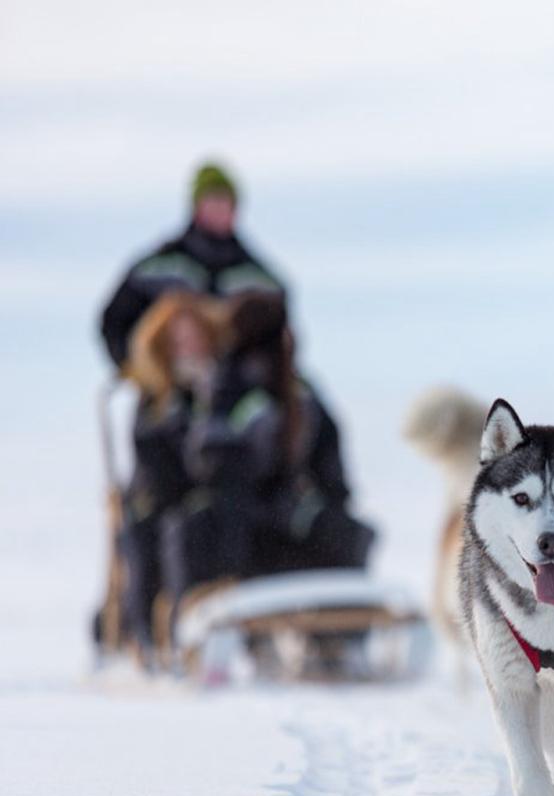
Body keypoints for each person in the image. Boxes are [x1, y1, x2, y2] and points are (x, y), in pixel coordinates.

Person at [160, 295, 375, 627]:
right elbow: (214, 463)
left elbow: (329, 467)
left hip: (275, 519)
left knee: (343, 531)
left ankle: (337, 630)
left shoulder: (296, 395)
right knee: (196, 528)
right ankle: (336, 633)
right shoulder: (226, 389)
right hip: (244, 523)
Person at [112, 291, 231, 659]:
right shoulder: (155, 400)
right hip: (160, 501)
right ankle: (152, 640)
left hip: (216, 502)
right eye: (178, 340)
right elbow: (152, 460)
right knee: (153, 534)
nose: (188, 347)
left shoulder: (226, 390)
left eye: (194, 337)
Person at [99, 162, 285, 370]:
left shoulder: (258, 278)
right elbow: (114, 320)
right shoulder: (158, 267)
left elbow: (280, 334)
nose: (220, 209)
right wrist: (135, 368)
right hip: (169, 383)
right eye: (213, 201)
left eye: (226, 202)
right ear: (197, 206)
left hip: (231, 383)